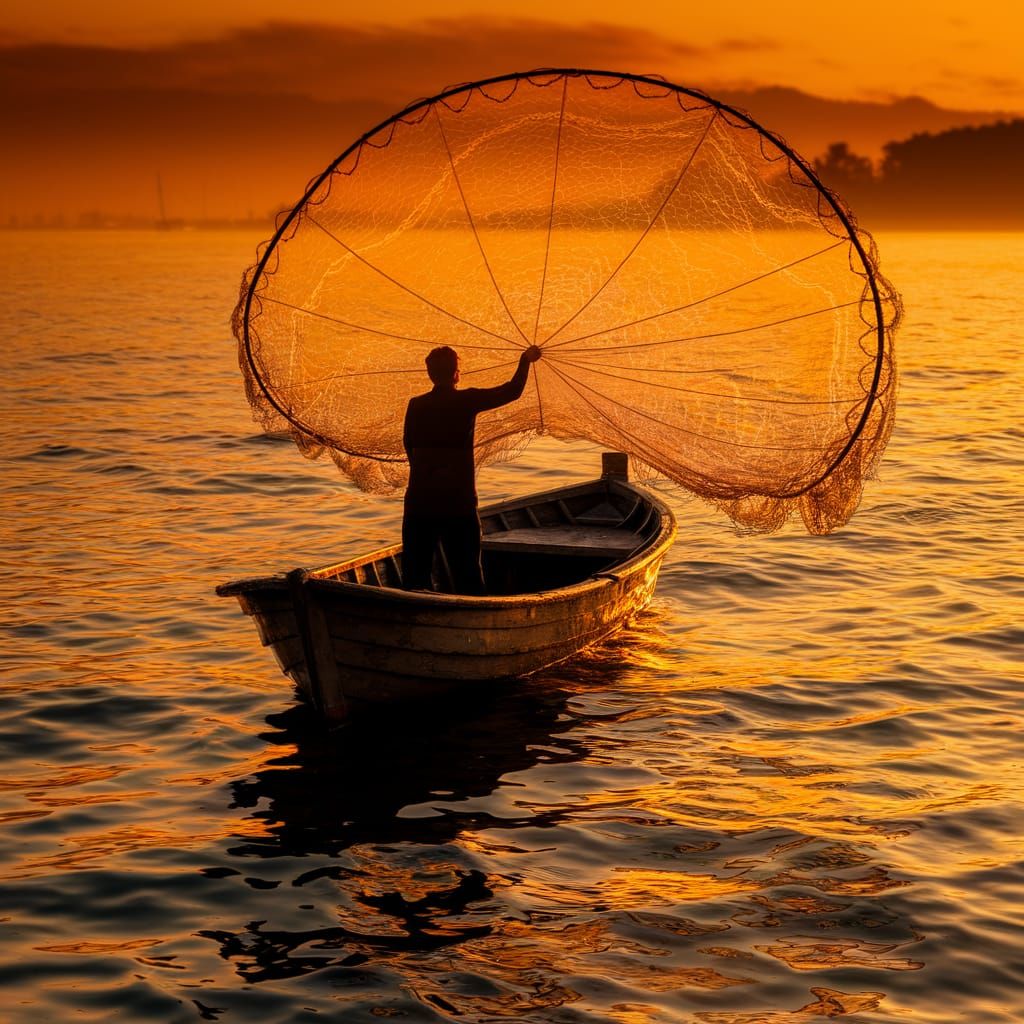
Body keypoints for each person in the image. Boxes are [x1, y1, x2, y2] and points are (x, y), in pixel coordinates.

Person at [402, 344, 542, 594]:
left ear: (429, 374)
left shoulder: (416, 405)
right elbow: (512, 391)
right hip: (457, 503)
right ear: (456, 373)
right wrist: (524, 361)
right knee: (468, 575)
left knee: (414, 576)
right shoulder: (466, 400)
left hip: (419, 503)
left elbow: (409, 447)